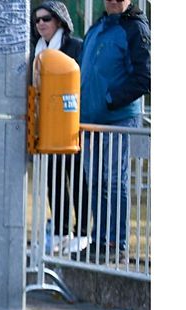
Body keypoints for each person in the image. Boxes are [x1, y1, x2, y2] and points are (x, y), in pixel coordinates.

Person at [78, 0, 150, 261]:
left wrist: (110, 99)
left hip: (117, 119)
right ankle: (98, 240)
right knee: (95, 181)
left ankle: (116, 243)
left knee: (113, 180)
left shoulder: (136, 29)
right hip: (89, 121)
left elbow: (145, 77)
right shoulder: (96, 28)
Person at [30, 1, 86, 255]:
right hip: (45, 127)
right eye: (37, 20)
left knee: (77, 180)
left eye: (46, 19)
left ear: (60, 21)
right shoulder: (35, 50)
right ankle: (62, 231)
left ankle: (83, 231)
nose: (41, 23)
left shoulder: (75, 47)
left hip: (70, 126)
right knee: (53, 182)